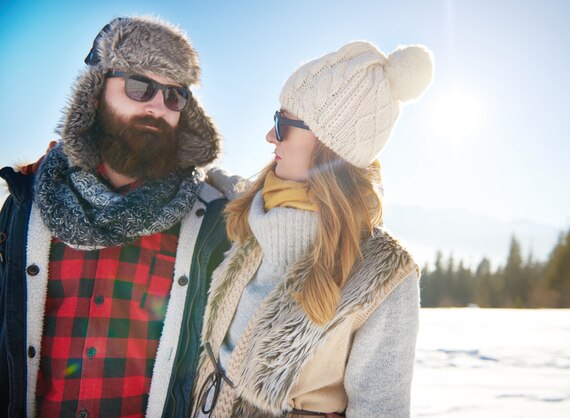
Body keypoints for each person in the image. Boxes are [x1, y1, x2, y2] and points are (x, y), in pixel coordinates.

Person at [0, 16, 230, 417]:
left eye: (175, 96)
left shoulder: (209, 222)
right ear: (93, 94)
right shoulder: (26, 203)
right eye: (140, 86)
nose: (158, 106)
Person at [191, 41, 434, 417]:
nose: (270, 137)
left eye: (282, 124)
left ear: (330, 145)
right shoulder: (251, 223)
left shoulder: (383, 275)